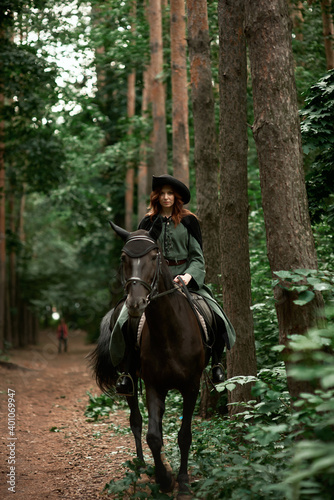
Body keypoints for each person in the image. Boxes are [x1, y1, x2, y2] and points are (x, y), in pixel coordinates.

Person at [110, 174, 236, 395]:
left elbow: (198, 258)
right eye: (162, 193)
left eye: (170, 193)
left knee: (215, 313)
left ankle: (216, 363)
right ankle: (127, 373)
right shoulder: (147, 223)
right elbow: (139, 256)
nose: (166, 197)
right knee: (123, 318)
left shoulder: (189, 221)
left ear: (176, 197)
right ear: (156, 196)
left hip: (186, 280)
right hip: (153, 282)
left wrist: (188, 276)